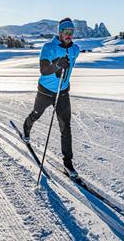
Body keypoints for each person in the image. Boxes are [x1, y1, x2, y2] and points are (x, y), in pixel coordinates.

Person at [24, 17, 80, 177]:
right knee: (36, 114)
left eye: (72, 32)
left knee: (65, 127)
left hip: (62, 93)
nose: (69, 35)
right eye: (66, 32)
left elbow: (70, 60)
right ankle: (26, 127)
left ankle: (68, 164)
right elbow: (43, 69)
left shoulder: (75, 49)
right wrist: (57, 64)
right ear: (60, 32)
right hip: (45, 92)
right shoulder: (48, 47)